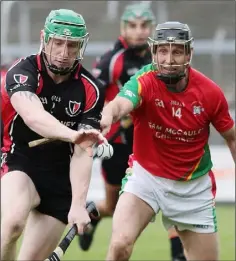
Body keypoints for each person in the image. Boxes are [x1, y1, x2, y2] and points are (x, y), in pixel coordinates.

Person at [101, 21, 235, 261]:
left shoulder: (210, 93)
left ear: (189, 54)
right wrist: (107, 116)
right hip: (146, 178)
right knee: (120, 244)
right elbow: (121, 103)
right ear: (154, 53)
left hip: (193, 188)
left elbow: (232, 138)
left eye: (177, 51)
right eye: (163, 50)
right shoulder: (145, 80)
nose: (169, 59)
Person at [78, 5, 186, 261]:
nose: (139, 32)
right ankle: (93, 214)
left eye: (144, 26)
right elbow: (95, 100)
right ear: (123, 29)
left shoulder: (160, 57)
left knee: (171, 194)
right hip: (118, 144)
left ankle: (179, 253)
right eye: (133, 26)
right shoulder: (110, 61)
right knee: (113, 206)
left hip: (152, 141)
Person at [1, 9, 106, 261]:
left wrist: (79, 204)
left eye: (72, 45)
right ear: (44, 38)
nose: (63, 52)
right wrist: (72, 135)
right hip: (20, 161)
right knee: (13, 223)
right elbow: (33, 116)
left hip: (61, 178)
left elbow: (83, 151)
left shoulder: (91, 89)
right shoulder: (22, 72)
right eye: (58, 43)